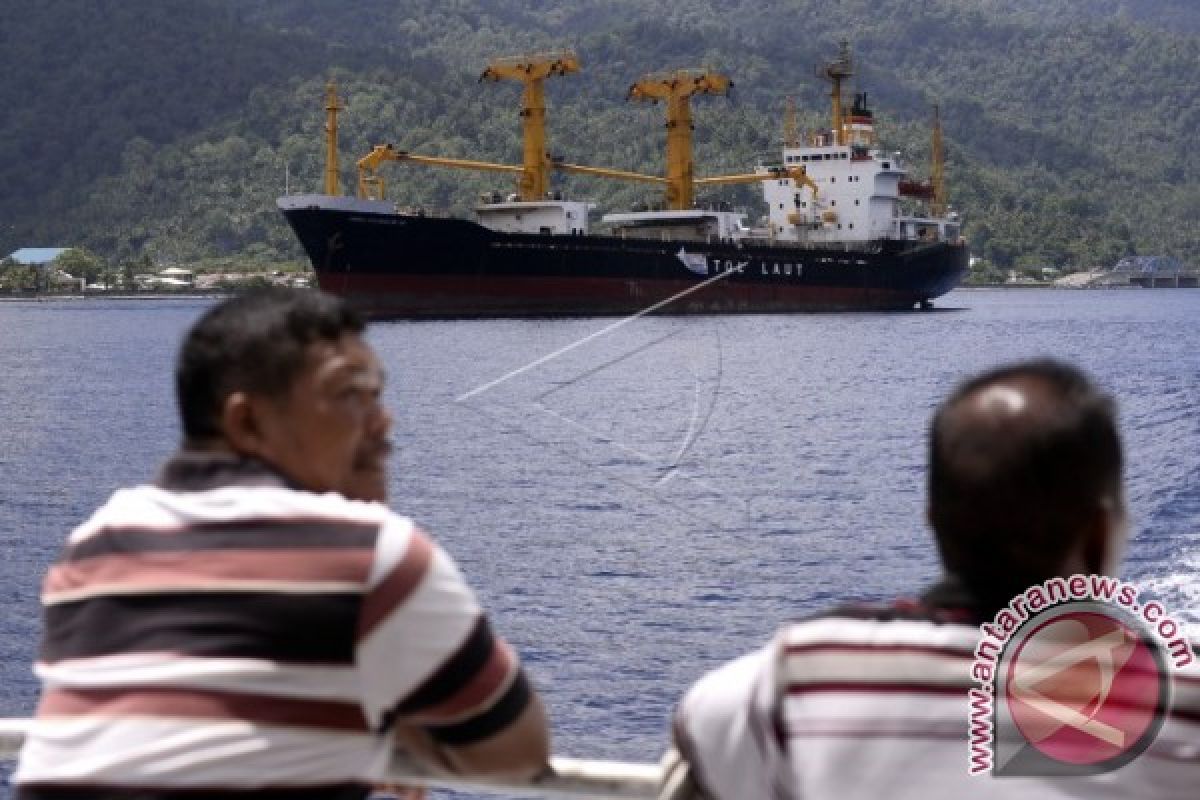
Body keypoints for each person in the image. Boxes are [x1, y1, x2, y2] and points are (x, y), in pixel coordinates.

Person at [14, 288, 550, 798]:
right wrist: (385, 731)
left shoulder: (96, 545)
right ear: (247, 421)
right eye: (350, 395)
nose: (383, 422)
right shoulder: (370, 555)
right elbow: (514, 752)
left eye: (378, 395)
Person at [666, 359, 1200, 800]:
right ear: (1099, 535)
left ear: (933, 519)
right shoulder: (1182, 700)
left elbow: (702, 727)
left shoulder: (795, 678)